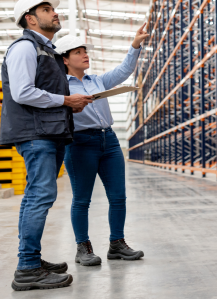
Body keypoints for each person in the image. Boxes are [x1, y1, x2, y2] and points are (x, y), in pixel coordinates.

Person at [3, 0, 93, 291]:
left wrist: (70, 104)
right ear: (30, 19)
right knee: (40, 197)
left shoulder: (47, 51)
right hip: (35, 134)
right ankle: (27, 267)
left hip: (49, 133)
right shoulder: (25, 48)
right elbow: (22, 92)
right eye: (46, 9)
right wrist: (67, 100)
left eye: (53, 8)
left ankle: (31, 260)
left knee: (35, 197)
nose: (54, 13)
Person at [54, 23, 149, 267]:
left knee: (118, 197)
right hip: (80, 144)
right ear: (64, 59)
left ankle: (117, 244)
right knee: (82, 199)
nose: (85, 55)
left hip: (110, 141)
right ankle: (83, 248)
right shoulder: (60, 87)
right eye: (78, 52)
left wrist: (135, 44)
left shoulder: (97, 81)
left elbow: (125, 70)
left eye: (85, 50)